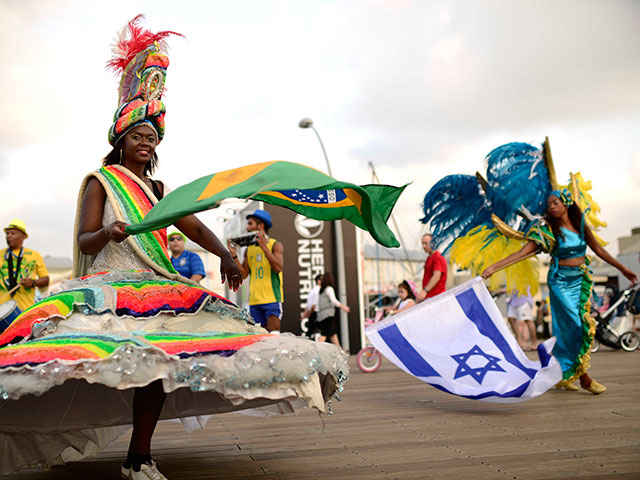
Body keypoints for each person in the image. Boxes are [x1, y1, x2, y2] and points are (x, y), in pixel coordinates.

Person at [0, 17, 347, 479]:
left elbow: (197, 227)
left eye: (151, 138)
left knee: (161, 364)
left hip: (157, 286)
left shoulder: (158, 189)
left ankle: (139, 456)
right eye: (137, 137)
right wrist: (110, 233)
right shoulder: (102, 183)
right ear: (120, 140)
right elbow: (86, 238)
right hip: (112, 287)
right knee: (86, 363)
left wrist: (225, 256)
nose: (145, 144)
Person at [482, 189, 638, 394]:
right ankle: (585, 378)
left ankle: (563, 375)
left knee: (571, 328)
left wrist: (623, 269)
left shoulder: (580, 224)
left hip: (580, 280)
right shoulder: (547, 229)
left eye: (555, 203)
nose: (552, 207)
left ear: (566, 203)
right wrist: (494, 267)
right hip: (560, 282)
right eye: (549, 205)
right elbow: (523, 253)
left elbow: (598, 249)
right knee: (575, 325)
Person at [227, 209, 284, 332]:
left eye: (250, 224)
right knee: (260, 339)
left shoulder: (275, 245)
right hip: (254, 301)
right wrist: (234, 255)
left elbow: (278, 268)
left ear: (261, 226)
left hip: (272, 299)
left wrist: (264, 247)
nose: (247, 228)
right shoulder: (249, 249)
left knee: (274, 336)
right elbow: (243, 275)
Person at [1, 219, 49, 311]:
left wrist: (33, 282)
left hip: (26, 308)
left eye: (13, 233)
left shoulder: (35, 255)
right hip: (2, 309)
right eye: (7, 233)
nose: (8, 236)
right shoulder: (0, 255)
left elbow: (45, 279)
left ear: (23, 236)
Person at [316, 272, 350, 347]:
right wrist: (344, 307)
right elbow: (334, 301)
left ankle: (340, 352)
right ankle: (315, 352)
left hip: (322, 316)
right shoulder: (329, 289)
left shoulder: (321, 290)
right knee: (324, 335)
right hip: (328, 315)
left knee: (333, 335)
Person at [417, 233, 447, 302]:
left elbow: (437, 275)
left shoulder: (438, 257)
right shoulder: (429, 258)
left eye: (426, 243)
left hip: (436, 296)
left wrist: (425, 291)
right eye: (422, 244)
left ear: (433, 243)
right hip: (429, 296)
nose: (424, 246)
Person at [301, 273, 322, 338]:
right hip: (316, 313)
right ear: (318, 281)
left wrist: (306, 313)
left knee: (311, 332)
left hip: (314, 313)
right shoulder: (318, 290)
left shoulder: (313, 290)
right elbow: (313, 305)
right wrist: (309, 314)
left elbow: (308, 304)